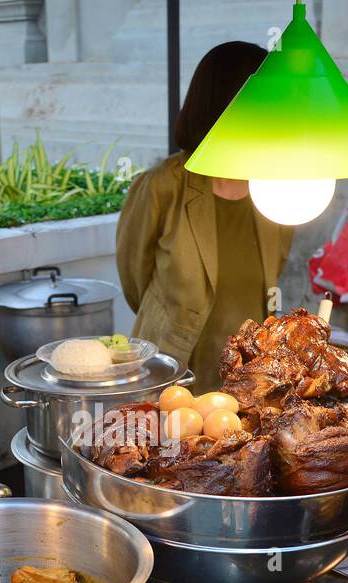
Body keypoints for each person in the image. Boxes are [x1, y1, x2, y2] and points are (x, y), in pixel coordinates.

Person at [116, 41, 296, 390]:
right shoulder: (162, 186)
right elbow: (134, 279)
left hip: (248, 372)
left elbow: (274, 272)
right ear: (227, 104)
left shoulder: (278, 190)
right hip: (173, 365)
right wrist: (177, 316)